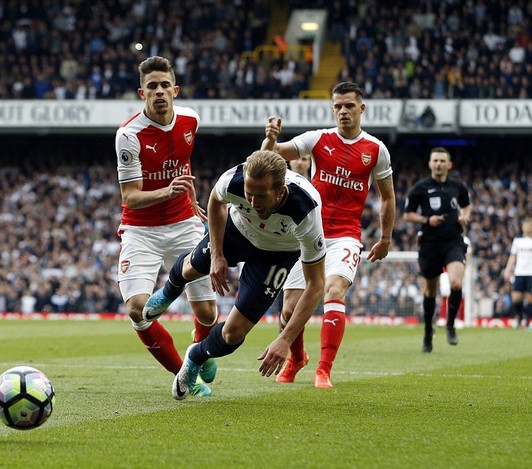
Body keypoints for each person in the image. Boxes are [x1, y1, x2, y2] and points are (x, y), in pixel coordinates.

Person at [142, 150, 327, 400]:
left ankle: (195, 356)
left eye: (260, 196)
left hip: (276, 255)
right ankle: (168, 292)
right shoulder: (235, 179)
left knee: (233, 335)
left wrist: (284, 339)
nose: (252, 201)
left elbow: (315, 285)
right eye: (248, 193)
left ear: (280, 192)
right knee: (192, 267)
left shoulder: (306, 212)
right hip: (237, 232)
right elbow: (216, 202)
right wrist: (217, 255)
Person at [261, 81, 396, 387]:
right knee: (289, 310)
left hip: (346, 235)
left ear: (361, 108)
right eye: (337, 106)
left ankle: (324, 369)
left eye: (349, 105)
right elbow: (274, 156)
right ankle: (297, 358)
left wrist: (385, 238)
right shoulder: (318, 139)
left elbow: (387, 196)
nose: (343, 111)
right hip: (308, 234)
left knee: (333, 291)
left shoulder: (376, 150)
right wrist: (270, 139)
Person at [115, 55, 218, 397]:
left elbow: (183, 164)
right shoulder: (129, 135)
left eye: (163, 86)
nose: (158, 92)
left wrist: (190, 200)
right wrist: (168, 190)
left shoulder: (191, 119)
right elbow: (130, 197)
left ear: (175, 90)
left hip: (184, 224)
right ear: (140, 93)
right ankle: (188, 375)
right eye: (151, 87)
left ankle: (198, 350)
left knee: (207, 311)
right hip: (141, 230)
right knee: (136, 309)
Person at [403, 147, 471, 352]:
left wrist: (464, 217)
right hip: (430, 244)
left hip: (453, 241)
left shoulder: (458, 186)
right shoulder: (420, 188)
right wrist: (426, 220)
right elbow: (408, 215)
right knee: (430, 291)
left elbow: (466, 206)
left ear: (449, 164)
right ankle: (427, 332)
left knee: (456, 283)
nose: (439, 164)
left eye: (443, 161)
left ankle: (450, 325)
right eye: (435, 161)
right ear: (430, 163)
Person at [503, 217, 532, 329]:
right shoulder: (518, 241)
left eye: (529, 225)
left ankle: (528, 321)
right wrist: (507, 269)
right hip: (519, 272)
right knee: (516, 298)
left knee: (530, 298)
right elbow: (513, 256)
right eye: (525, 225)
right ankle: (520, 316)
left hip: (531, 273)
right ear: (522, 227)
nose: (527, 227)